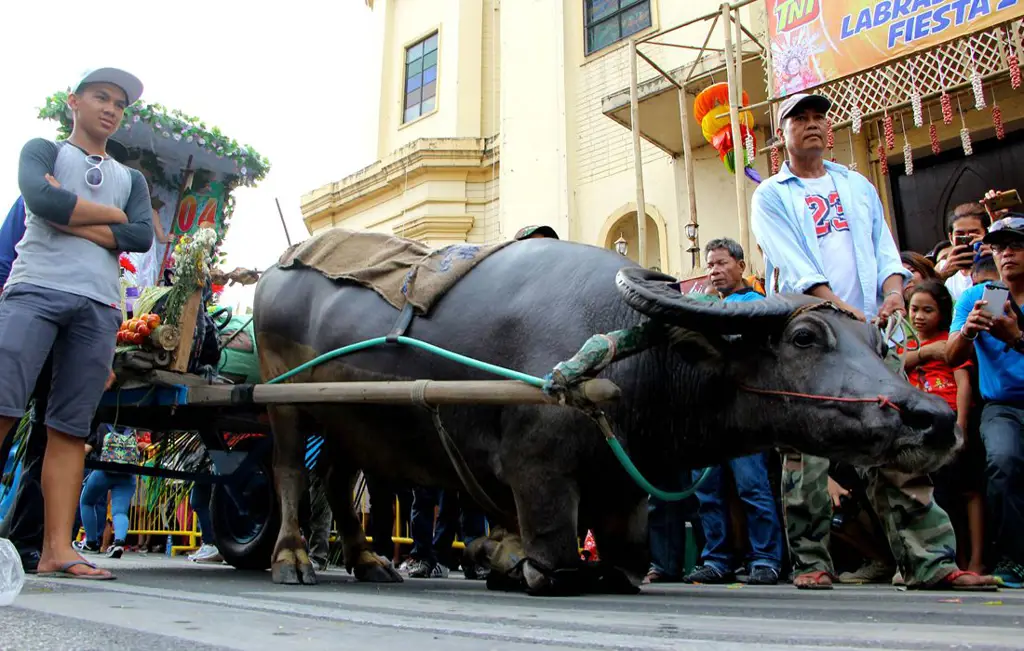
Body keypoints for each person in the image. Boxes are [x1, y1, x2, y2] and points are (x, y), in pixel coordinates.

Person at [750, 92, 995, 591]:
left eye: (821, 117)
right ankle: (813, 560)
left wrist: (892, 293)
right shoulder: (771, 195)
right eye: (802, 119)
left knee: (896, 436)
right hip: (810, 334)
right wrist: (833, 305)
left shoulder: (856, 185)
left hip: (869, 333)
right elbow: (791, 260)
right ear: (783, 135)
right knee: (806, 452)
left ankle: (927, 561)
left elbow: (885, 247)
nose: (814, 125)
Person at [0, 67, 152, 580]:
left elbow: (141, 237)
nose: (111, 108)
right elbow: (39, 201)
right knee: (1, 406)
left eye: (119, 104)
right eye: (101, 97)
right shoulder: (43, 151)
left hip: (98, 306)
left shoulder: (131, 178)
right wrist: (110, 221)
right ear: (75, 102)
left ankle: (56, 549)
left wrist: (70, 219)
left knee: (68, 430)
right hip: (35, 290)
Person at [681, 238, 783, 585]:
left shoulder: (757, 304)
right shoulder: (702, 306)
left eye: (722, 263)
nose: (715, 270)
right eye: (710, 264)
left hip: (745, 413)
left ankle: (766, 559)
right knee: (707, 491)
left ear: (741, 265)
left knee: (752, 487)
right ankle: (716, 558)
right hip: (706, 414)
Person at [947, 214, 1024, 588]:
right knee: (1002, 462)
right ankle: (1012, 558)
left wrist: (1015, 337)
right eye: (1000, 247)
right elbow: (950, 355)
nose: (1007, 254)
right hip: (1002, 404)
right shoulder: (980, 297)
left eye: (1016, 245)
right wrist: (968, 331)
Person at [901, 281, 984, 575]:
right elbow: (896, 367)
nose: (919, 316)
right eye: (914, 309)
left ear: (943, 312)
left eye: (928, 310)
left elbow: (964, 385)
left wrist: (960, 426)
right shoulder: (905, 344)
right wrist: (924, 353)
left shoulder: (951, 341)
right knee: (938, 494)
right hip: (918, 429)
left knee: (967, 490)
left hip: (950, 419)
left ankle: (975, 559)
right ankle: (946, 559)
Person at [938, 204, 990, 302]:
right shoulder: (942, 267)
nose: (967, 238)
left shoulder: (997, 261)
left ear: (985, 234)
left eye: (974, 233)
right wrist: (943, 275)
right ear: (951, 237)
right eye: (960, 234)